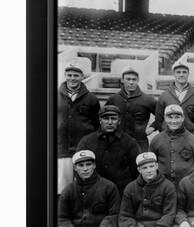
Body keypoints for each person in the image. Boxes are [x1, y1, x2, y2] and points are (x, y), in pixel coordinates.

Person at [76, 105, 140, 193]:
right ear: (100, 120)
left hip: (121, 192)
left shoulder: (130, 142)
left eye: (113, 119)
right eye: (106, 118)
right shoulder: (87, 141)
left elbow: (136, 171)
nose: (110, 122)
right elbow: (79, 168)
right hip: (93, 191)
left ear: (119, 121)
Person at [57, 62, 100, 193]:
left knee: (84, 186)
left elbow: (97, 124)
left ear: (82, 77)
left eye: (76, 75)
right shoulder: (54, 96)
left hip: (83, 148)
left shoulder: (91, 99)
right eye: (69, 75)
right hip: (62, 148)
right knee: (63, 187)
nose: (72, 78)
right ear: (65, 76)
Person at [148, 104, 194, 186]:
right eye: (170, 117)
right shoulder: (157, 140)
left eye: (177, 117)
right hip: (162, 186)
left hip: (187, 186)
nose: (173, 121)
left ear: (183, 118)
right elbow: (151, 164)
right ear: (165, 118)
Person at [106, 66, 157, 152]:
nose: (131, 82)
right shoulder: (113, 99)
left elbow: (162, 115)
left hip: (139, 143)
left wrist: (152, 128)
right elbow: (103, 117)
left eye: (134, 80)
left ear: (138, 81)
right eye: (128, 79)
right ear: (122, 80)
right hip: (117, 141)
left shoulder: (148, 99)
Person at [153, 60, 194, 137]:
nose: (181, 75)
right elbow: (159, 119)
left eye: (184, 72)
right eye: (178, 72)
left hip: (188, 136)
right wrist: (163, 133)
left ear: (188, 74)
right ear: (174, 74)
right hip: (168, 136)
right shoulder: (164, 96)